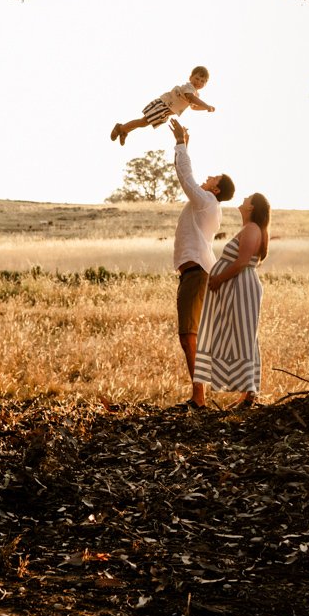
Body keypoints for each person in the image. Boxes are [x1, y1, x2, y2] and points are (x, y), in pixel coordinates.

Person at [169, 118, 235, 406]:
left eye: (213, 179)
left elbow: (185, 176)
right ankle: (200, 394)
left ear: (216, 189)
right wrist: (182, 147)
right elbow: (186, 175)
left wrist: (181, 144)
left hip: (196, 272)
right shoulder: (208, 204)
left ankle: (199, 397)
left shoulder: (207, 201)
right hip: (196, 271)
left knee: (188, 335)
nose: (208, 178)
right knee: (192, 334)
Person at [193, 189, 270, 409]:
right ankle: (248, 392)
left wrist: (218, 279)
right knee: (238, 334)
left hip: (242, 287)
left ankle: (249, 393)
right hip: (237, 287)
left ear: (252, 207)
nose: (243, 199)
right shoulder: (249, 228)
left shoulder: (253, 228)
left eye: (248, 199)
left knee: (244, 336)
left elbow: (242, 262)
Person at [110, 65, 215, 146]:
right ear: (190, 77)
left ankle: (125, 131)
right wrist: (206, 105)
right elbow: (192, 99)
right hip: (164, 106)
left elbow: (194, 107)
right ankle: (120, 128)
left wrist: (205, 109)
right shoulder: (189, 88)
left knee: (144, 123)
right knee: (143, 122)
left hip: (166, 112)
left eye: (203, 81)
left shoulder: (196, 93)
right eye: (197, 78)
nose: (199, 82)